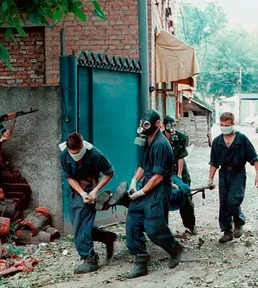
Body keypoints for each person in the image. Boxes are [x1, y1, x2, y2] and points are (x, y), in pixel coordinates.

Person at [126, 109, 184, 278]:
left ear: (158, 123)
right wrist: (134, 181)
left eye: (147, 124)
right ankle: (140, 259)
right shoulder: (146, 141)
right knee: (132, 221)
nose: (144, 127)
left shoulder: (161, 145)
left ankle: (175, 248)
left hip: (158, 189)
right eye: (142, 124)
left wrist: (141, 192)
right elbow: (143, 166)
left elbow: (158, 176)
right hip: (146, 185)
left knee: (153, 227)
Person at [59, 132, 119, 274]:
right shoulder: (64, 155)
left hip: (90, 187)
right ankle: (106, 237)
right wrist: (81, 193)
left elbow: (110, 172)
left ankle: (89, 258)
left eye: (78, 153)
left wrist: (95, 190)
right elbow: (69, 177)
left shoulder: (95, 155)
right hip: (76, 190)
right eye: (73, 153)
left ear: (82, 146)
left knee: (80, 223)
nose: (76, 157)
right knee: (78, 224)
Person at [208, 112, 258, 243]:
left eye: (227, 125)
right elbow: (214, 162)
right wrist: (210, 179)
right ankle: (227, 231)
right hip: (224, 173)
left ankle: (238, 221)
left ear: (233, 124)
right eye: (222, 125)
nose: (224, 127)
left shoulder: (241, 139)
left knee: (234, 199)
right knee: (224, 202)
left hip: (238, 172)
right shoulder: (217, 142)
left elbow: (254, 157)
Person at [162, 115, 196, 235]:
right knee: (163, 199)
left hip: (180, 170)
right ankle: (163, 229)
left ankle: (190, 226)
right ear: (163, 125)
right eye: (168, 126)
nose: (171, 129)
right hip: (165, 172)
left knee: (186, 197)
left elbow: (180, 156)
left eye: (173, 125)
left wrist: (179, 175)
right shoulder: (160, 138)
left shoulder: (181, 137)